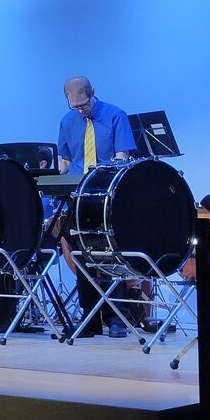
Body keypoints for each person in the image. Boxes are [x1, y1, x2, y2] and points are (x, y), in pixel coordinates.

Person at [56, 76, 137, 338]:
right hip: (78, 196)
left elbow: (122, 156)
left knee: (111, 255)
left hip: (106, 194)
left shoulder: (116, 116)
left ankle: (116, 318)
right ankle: (89, 319)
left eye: (84, 105)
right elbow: (66, 162)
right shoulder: (67, 121)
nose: (81, 111)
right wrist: (53, 179)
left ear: (93, 93)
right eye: (75, 107)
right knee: (81, 255)